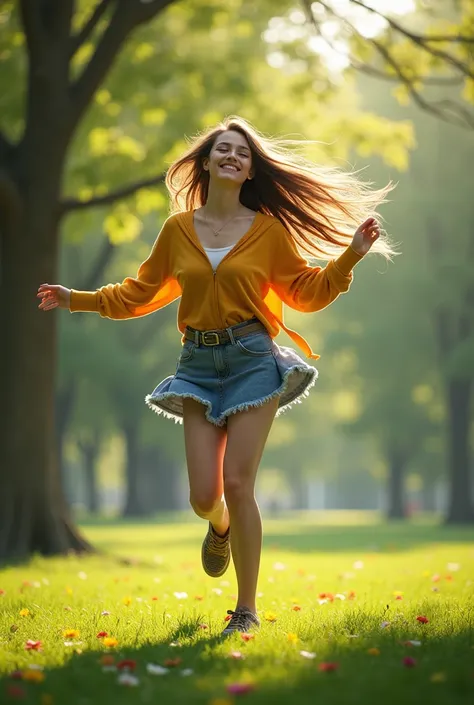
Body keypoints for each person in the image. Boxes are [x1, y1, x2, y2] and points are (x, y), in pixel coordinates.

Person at [38, 116, 393, 635]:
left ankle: (245, 610)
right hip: (198, 367)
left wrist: (349, 259)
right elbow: (140, 293)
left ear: (250, 171)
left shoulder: (268, 231)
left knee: (238, 482)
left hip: (253, 359)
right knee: (205, 496)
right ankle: (218, 525)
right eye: (223, 149)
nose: (233, 156)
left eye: (242, 153)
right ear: (206, 163)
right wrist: (79, 300)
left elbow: (306, 293)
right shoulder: (178, 230)